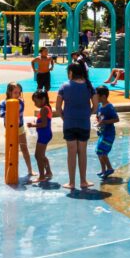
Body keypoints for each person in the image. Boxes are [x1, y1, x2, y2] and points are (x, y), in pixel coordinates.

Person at [55, 63, 96, 191]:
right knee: (82, 152)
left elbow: (57, 108)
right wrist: (87, 114)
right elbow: (95, 106)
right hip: (84, 123)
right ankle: (83, 181)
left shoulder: (64, 86)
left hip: (69, 123)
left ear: (71, 73)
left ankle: (71, 182)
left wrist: (64, 118)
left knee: (71, 153)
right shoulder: (89, 86)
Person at [0, 82, 34, 178]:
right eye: (15, 92)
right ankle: (9, 170)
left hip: (19, 128)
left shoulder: (20, 102)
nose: (18, 95)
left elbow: (19, 111)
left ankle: (30, 169)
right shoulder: (3, 103)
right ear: (9, 92)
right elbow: (1, 114)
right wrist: (9, 110)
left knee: (24, 148)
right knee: (11, 150)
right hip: (10, 130)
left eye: (19, 92)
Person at [27, 90, 54, 182]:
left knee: (38, 156)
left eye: (36, 101)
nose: (35, 104)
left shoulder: (44, 109)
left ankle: (41, 176)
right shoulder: (47, 107)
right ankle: (48, 172)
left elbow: (44, 124)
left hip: (44, 135)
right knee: (41, 155)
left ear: (43, 99)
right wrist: (36, 122)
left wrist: (32, 125)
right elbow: (43, 121)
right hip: (45, 134)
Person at [95, 86, 119, 179]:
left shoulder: (109, 107)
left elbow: (116, 119)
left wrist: (104, 122)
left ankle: (109, 168)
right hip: (102, 133)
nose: (95, 97)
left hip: (109, 134)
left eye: (97, 95)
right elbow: (98, 116)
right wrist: (97, 121)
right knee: (98, 151)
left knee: (102, 151)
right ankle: (103, 170)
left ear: (103, 96)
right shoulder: (99, 106)